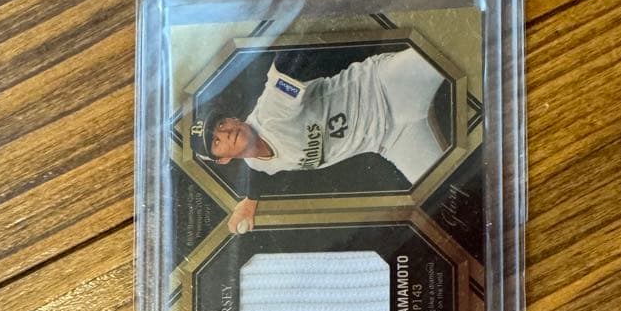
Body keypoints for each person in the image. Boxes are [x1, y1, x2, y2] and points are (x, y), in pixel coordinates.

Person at [189, 47, 450, 233]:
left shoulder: (271, 113)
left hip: (384, 85)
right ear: (223, 159)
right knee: (446, 199)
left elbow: (288, 66)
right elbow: (258, 171)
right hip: (392, 141)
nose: (225, 133)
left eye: (221, 124)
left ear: (233, 118)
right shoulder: (257, 164)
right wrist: (250, 201)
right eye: (216, 142)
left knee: (449, 48)